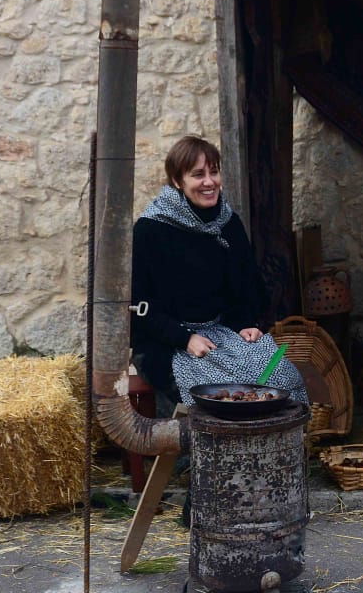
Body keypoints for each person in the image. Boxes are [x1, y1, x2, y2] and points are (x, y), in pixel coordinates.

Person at [131, 135, 306, 408]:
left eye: (214, 172)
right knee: (214, 395)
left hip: (222, 332)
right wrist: (185, 338)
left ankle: (272, 448)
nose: (209, 182)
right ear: (178, 181)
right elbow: (138, 304)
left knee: (281, 376)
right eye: (198, 175)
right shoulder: (150, 230)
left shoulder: (227, 223)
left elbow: (243, 286)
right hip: (168, 341)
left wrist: (245, 324)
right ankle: (209, 451)